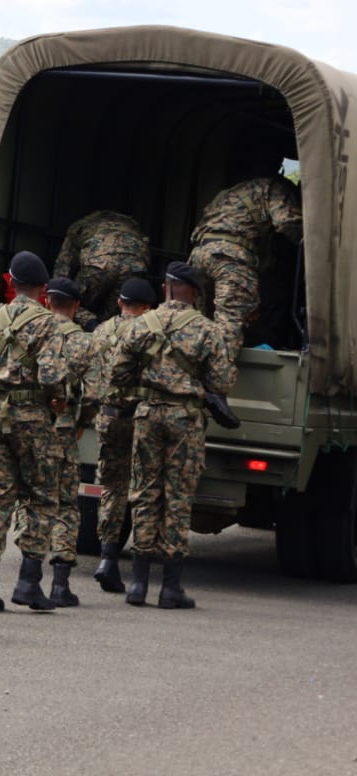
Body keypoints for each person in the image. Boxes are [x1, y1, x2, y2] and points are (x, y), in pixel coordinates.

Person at [110, 262, 236, 608]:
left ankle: (137, 585)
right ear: (194, 292)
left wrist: (145, 383)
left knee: (145, 493)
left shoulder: (140, 325)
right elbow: (223, 382)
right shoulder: (207, 331)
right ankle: (170, 588)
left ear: (166, 287)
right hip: (185, 418)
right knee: (177, 497)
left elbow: (117, 372)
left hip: (148, 414)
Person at [0, 251, 68, 613]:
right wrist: (58, 400)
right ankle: (29, 583)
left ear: (10, 283)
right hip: (33, 419)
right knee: (41, 497)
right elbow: (51, 376)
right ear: (44, 288)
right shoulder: (48, 324)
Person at [86, 277, 156, 592]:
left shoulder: (101, 332)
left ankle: (107, 558)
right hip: (140, 420)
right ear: (149, 308)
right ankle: (141, 571)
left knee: (112, 487)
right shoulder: (150, 333)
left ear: (119, 302)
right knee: (143, 489)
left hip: (107, 417)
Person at [188, 175, 302, 351]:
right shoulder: (276, 187)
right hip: (229, 259)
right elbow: (286, 222)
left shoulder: (234, 192)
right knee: (228, 334)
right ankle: (220, 375)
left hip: (199, 256)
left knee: (201, 324)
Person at [41, 277, 98, 606]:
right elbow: (93, 394)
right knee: (64, 506)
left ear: (48, 301)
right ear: (76, 307)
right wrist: (81, 421)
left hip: (32, 429)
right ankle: (60, 585)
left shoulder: (33, 333)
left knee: (32, 502)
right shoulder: (85, 343)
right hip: (64, 431)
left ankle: (27, 578)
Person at [53, 210, 149, 328]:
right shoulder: (133, 227)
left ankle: (90, 327)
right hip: (134, 267)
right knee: (113, 317)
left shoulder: (79, 227)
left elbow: (63, 267)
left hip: (98, 265)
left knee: (69, 302)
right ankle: (105, 334)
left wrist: (56, 294)